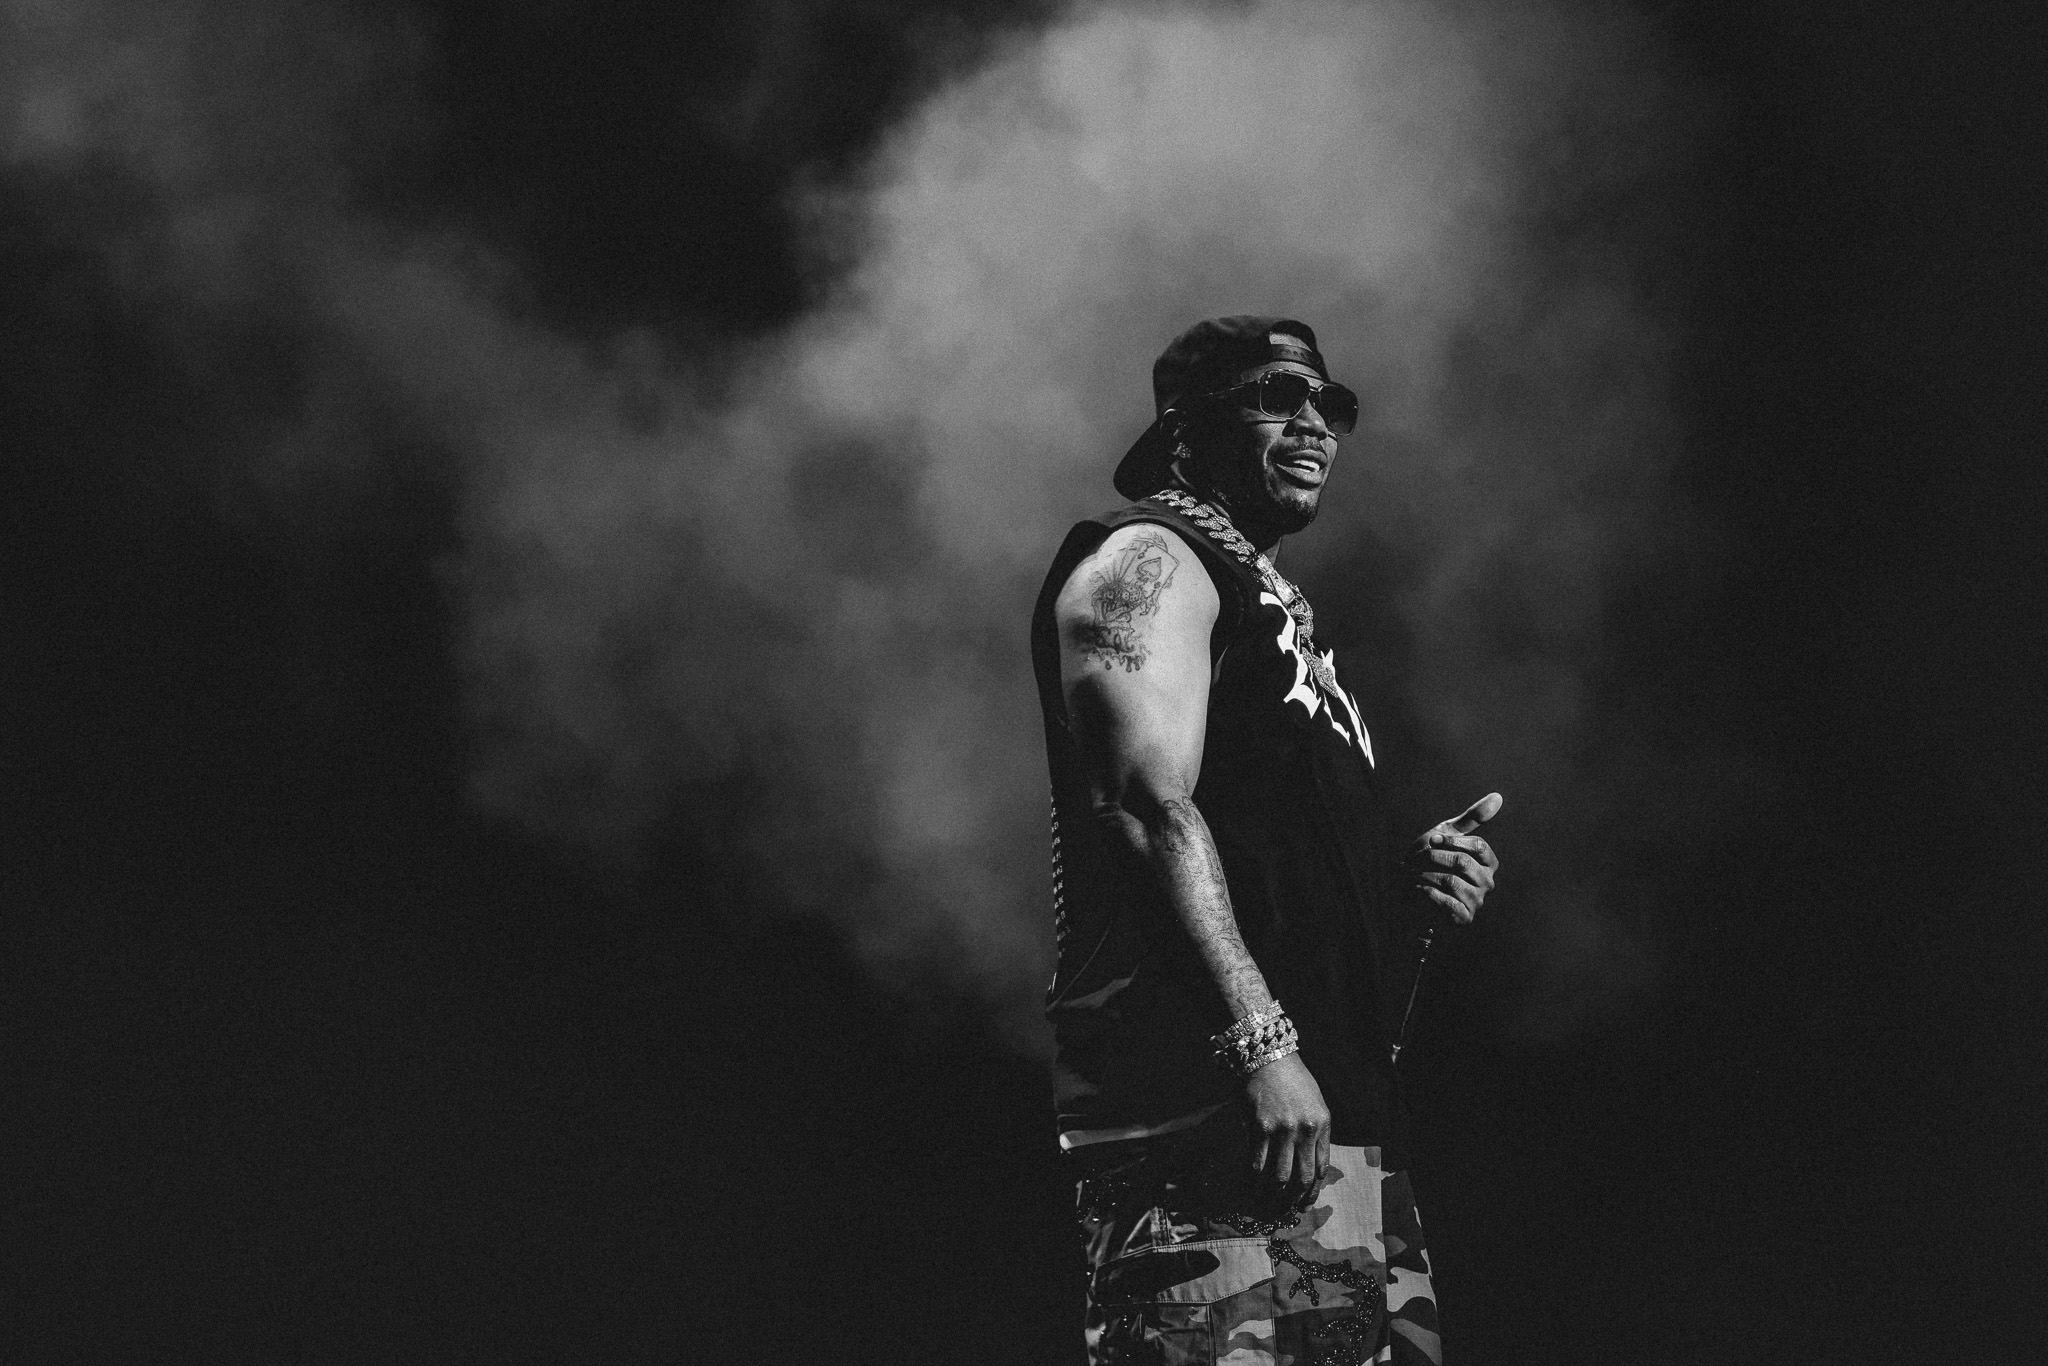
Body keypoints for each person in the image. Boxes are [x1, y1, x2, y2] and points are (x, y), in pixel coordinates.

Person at [1029, 316, 1501, 1365]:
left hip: (1324, 1129)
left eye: (1329, 405)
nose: (1314, 425)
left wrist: (1407, 886)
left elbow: (1274, 860)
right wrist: (1261, 1043)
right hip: (1211, 1123)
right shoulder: (1151, 559)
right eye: (1275, 398)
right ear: (1184, 431)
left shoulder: (1276, 615)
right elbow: (1142, 807)